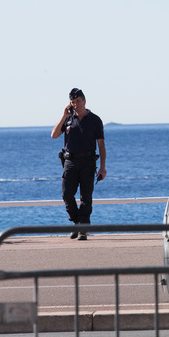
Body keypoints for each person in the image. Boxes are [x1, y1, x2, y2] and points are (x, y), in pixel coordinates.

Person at [51, 88, 107, 240]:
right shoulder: (68, 119)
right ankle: (77, 223)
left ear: (84, 101)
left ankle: (83, 228)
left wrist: (102, 167)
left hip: (88, 162)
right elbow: (54, 135)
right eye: (72, 102)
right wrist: (63, 116)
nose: (75, 104)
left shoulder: (95, 120)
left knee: (86, 196)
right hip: (70, 161)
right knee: (67, 194)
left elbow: (101, 145)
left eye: (78, 101)